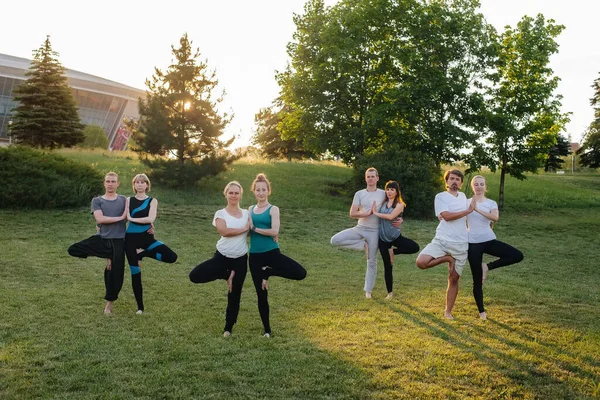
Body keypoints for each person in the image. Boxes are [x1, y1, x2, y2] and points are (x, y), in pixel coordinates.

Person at [248, 173, 307, 337]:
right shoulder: (250, 210)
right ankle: (267, 330)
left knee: (300, 273)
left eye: (263, 190)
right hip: (254, 256)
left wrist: (254, 229)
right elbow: (246, 231)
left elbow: (275, 231)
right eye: (258, 190)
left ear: (268, 191)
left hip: (272, 253)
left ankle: (269, 271)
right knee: (261, 294)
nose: (261, 192)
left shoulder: (273, 209)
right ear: (254, 191)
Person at [189, 181, 250, 337]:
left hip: (240, 259)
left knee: (235, 293)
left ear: (241, 195)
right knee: (195, 275)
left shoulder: (247, 214)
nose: (234, 195)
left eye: (237, 193)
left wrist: (273, 234)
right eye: (231, 192)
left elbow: (255, 230)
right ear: (226, 194)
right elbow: (224, 231)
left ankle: (228, 327)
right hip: (221, 256)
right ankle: (226, 275)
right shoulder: (220, 213)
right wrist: (243, 229)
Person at [416, 169, 475, 319]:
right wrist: (467, 211)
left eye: (457, 179)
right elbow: (446, 216)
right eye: (452, 179)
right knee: (421, 262)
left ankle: (448, 312)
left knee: (454, 278)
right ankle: (448, 258)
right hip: (442, 240)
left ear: (461, 183)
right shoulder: (441, 197)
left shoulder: (463, 197)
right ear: (447, 181)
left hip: (461, 243)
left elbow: (476, 208)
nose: (454, 181)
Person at [68, 172, 127, 314]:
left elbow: (134, 214)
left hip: (119, 241)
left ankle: (109, 305)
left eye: (113, 181)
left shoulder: (124, 200)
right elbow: (100, 219)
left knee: (115, 274)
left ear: (118, 183)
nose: (110, 184)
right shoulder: (97, 200)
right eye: (108, 181)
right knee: (73, 249)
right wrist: (121, 217)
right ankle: (107, 255)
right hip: (102, 238)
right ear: (104, 183)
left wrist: (150, 225)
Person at [467, 175, 524, 320]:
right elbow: (456, 216)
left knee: (517, 255)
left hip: (489, 240)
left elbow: (495, 217)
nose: (479, 186)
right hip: (472, 243)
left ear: (485, 187)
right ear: (473, 187)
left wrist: (476, 209)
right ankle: (482, 313)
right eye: (476, 184)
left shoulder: (491, 203)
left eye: (482, 184)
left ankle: (487, 267)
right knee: (477, 280)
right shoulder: (466, 202)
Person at [331, 167, 389, 298]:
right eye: (368, 176)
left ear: (377, 178)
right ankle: (363, 245)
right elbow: (352, 213)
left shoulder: (383, 194)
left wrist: (398, 219)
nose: (370, 178)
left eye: (373, 176)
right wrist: (366, 213)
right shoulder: (359, 194)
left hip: (374, 231)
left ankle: (368, 291)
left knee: (372, 261)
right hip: (360, 228)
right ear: (365, 178)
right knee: (335, 240)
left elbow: (393, 207)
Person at [125, 173, 178, 314]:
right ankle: (140, 307)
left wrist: (131, 218)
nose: (140, 184)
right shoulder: (128, 200)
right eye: (137, 182)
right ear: (134, 185)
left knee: (172, 257)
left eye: (143, 182)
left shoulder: (153, 201)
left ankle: (143, 253)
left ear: (147, 185)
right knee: (135, 273)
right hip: (130, 240)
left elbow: (150, 218)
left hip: (147, 239)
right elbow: (124, 219)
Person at [371, 180, 420, 299]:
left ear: (397, 192)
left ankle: (393, 251)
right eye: (387, 189)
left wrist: (376, 213)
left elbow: (391, 216)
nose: (389, 192)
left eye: (392, 189)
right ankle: (390, 293)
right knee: (388, 266)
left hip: (395, 237)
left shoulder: (400, 204)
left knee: (415, 247)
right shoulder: (383, 202)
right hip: (382, 239)